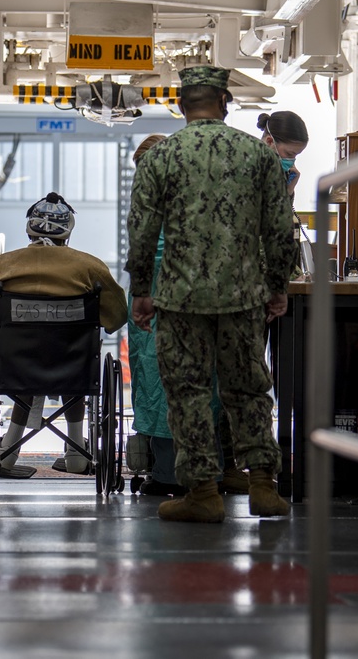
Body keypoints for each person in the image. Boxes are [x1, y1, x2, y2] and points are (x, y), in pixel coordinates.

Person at [126, 65, 298, 523]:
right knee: (249, 389)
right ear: (225, 103)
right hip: (243, 296)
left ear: (181, 105)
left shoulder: (161, 157)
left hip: (180, 300)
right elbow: (281, 231)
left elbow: (141, 231)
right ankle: (263, 484)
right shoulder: (257, 156)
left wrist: (141, 290)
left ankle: (202, 493)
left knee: (188, 392)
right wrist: (277, 286)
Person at [0, 192, 128, 478]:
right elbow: (117, 317)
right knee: (76, 351)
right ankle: (77, 452)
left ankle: (7, 453)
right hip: (74, 367)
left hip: (17, 367)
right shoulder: (90, 268)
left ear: (29, 228)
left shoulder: (0, 267)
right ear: (68, 232)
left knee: (26, 355)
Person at [126, 135, 248, 497]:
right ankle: (208, 473)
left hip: (164, 301)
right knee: (194, 384)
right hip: (200, 301)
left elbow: (150, 249)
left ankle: (171, 475)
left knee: (162, 384)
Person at [257, 111, 310, 198]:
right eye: (289, 154)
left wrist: (289, 191)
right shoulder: (249, 168)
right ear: (270, 141)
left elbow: (281, 210)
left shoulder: (282, 173)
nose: (292, 160)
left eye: (296, 155)